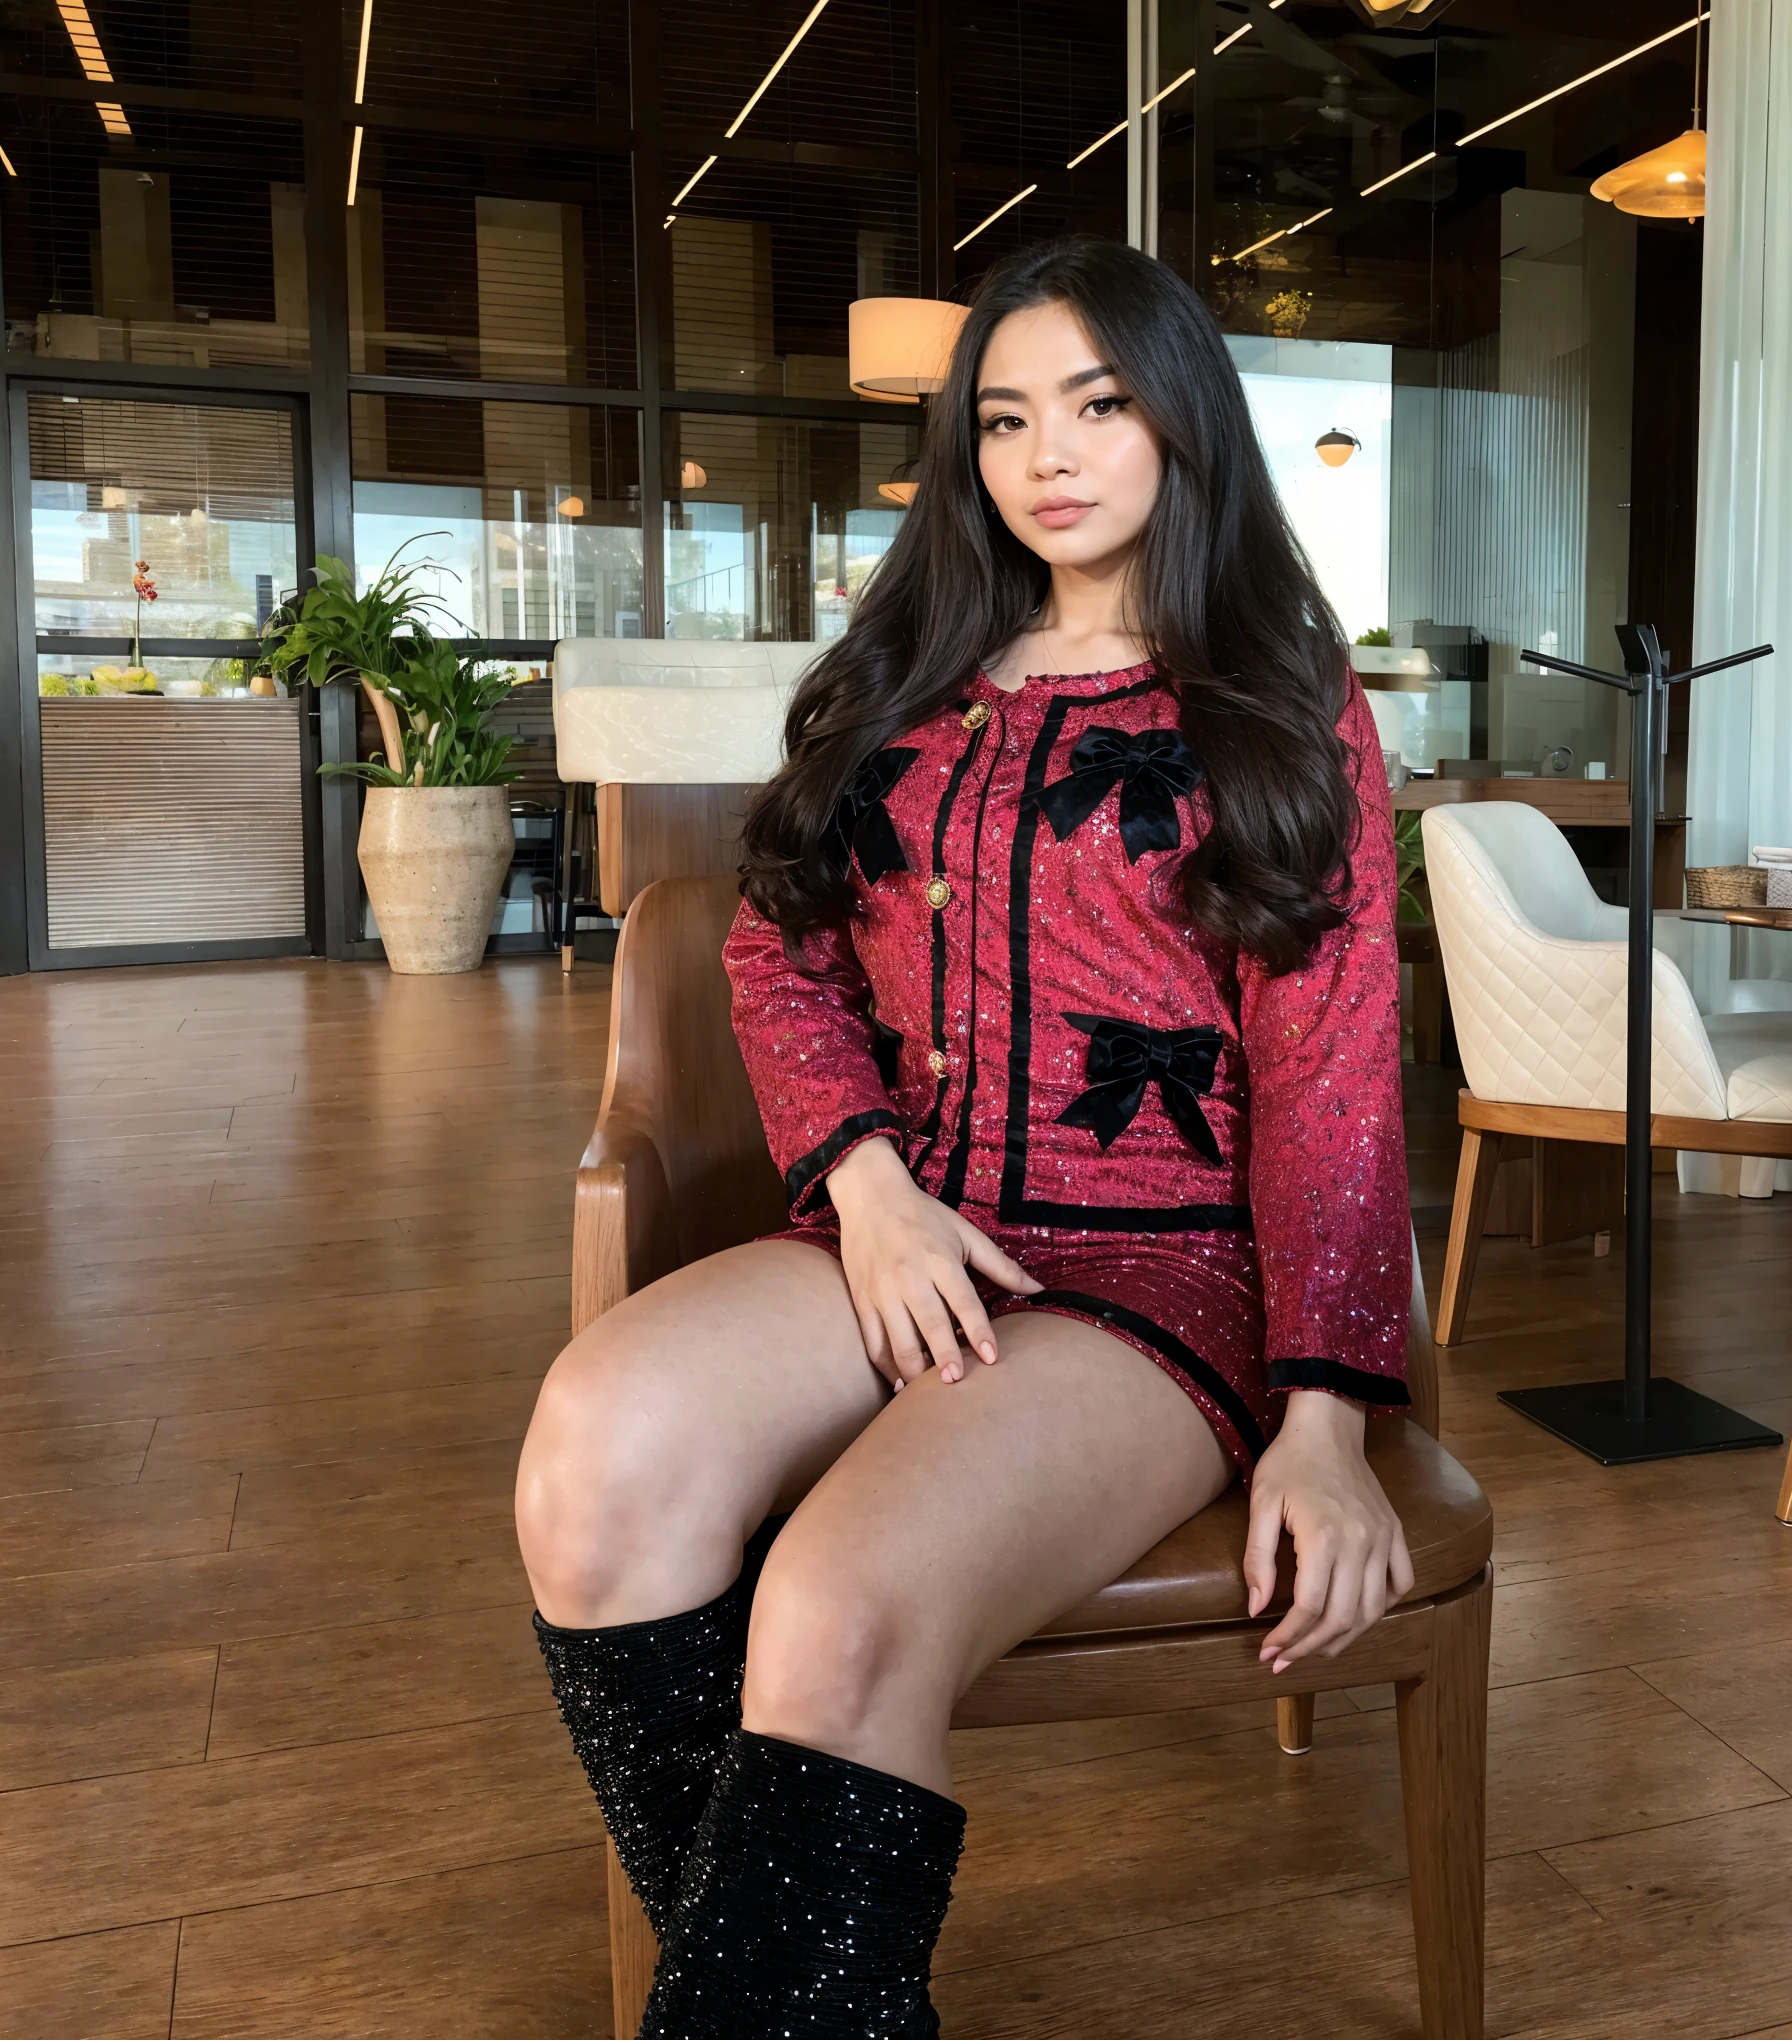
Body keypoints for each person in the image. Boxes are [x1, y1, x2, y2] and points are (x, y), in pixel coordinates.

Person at [515, 236, 1413, 2036]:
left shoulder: (1283, 701)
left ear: (1184, 421)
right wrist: (868, 1191)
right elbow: (778, 946)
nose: (1049, 454)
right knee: (592, 1453)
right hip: (912, 1219)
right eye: (1005, 417)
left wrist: (1329, 1424)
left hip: (1161, 1274)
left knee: (835, 1614)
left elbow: (1332, 1075)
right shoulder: (908, 673)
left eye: (1098, 403)